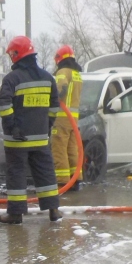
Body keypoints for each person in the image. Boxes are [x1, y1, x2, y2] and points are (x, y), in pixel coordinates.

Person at [0, 36, 63, 225]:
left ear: (17, 55)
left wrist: (11, 127)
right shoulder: (47, 78)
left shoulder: (12, 78)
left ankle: (15, 214)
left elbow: (3, 104)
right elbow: (54, 106)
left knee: (16, 174)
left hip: (17, 140)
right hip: (41, 138)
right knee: (45, 172)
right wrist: (47, 126)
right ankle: (53, 210)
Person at [51, 45, 83, 190]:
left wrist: (53, 100)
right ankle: (76, 180)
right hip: (73, 119)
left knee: (59, 149)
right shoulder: (77, 74)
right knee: (72, 149)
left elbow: (61, 87)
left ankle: (62, 182)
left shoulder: (63, 71)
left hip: (62, 118)